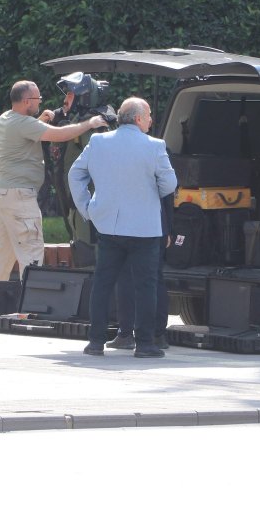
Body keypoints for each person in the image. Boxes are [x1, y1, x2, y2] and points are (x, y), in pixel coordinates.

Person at [68, 97, 177, 358]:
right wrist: (150, 194)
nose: (151, 120)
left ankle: (95, 342)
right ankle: (145, 344)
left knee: (103, 283)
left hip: (108, 225)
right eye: (149, 115)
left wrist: (87, 208)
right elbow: (169, 184)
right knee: (145, 285)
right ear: (138, 118)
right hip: (145, 228)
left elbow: (74, 174)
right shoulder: (155, 146)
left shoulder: (98, 141)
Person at [0, 80, 107, 281]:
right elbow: (59, 135)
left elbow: (28, 131)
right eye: (37, 98)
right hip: (19, 195)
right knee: (31, 251)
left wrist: (40, 120)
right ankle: (31, 307)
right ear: (26, 101)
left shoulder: (5, 118)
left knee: (6, 251)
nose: (40, 101)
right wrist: (89, 124)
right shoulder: (24, 123)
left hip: (2, 192)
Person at [108, 193, 175, 351]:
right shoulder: (161, 166)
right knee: (155, 278)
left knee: (126, 277)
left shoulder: (123, 167)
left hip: (129, 224)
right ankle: (158, 335)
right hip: (158, 223)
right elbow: (168, 191)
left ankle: (126, 334)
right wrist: (168, 229)